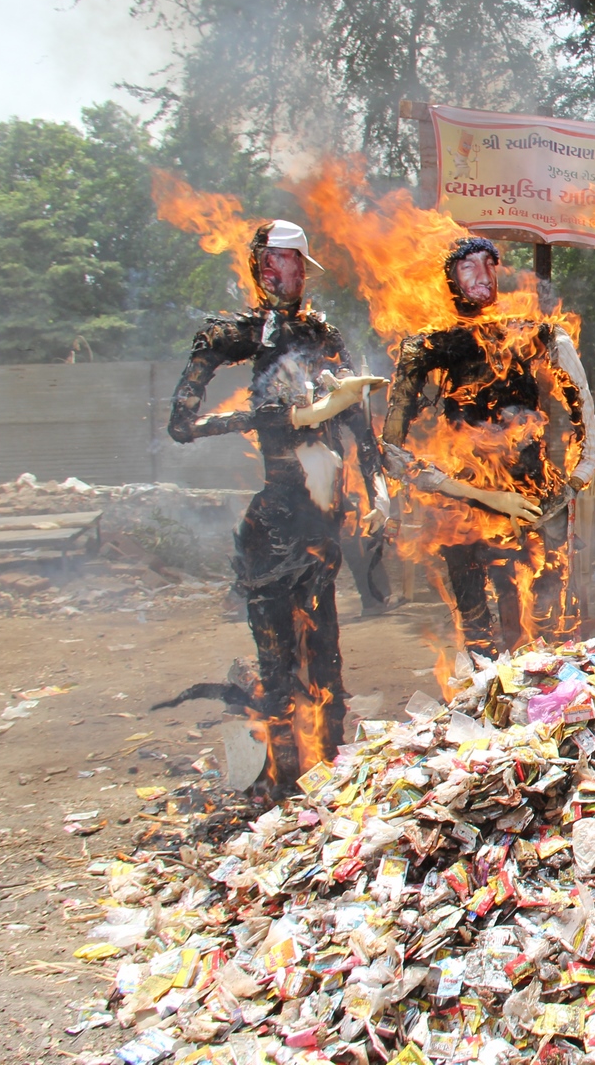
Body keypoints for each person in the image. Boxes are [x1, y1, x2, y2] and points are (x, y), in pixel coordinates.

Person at [167, 220, 390, 787]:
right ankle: (285, 784)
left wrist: (379, 487)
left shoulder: (322, 334)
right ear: (257, 266)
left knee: (328, 663)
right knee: (278, 668)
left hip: (323, 528)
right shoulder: (233, 334)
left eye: (292, 262)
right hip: (273, 533)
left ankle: (332, 780)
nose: (281, 272)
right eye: (272, 261)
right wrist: (283, 417)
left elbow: (357, 415)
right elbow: (182, 424)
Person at [382, 236, 595, 656]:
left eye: (489, 264)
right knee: (479, 636)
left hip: (534, 504)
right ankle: (486, 687)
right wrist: (478, 495)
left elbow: (581, 401)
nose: (483, 275)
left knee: (543, 633)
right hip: (463, 512)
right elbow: (392, 453)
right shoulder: (429, 346)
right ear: (451, 279)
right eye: (468, 266)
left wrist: (577, 477)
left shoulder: (532, 333)